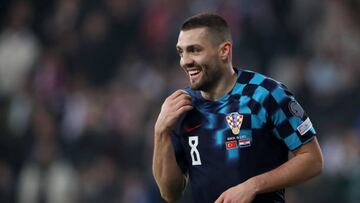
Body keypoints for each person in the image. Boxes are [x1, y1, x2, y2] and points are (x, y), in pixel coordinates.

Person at [152, 13, 323, 203]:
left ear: (224, 51)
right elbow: (170, 193)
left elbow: (313, 160)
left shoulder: (265, 94)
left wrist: (253, 185)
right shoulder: (181, 107)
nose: (185, 61)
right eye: (181, 52)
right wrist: (161, 132)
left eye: (195, 50)